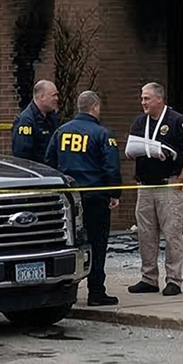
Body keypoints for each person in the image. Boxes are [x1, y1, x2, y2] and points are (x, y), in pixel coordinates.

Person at [45, 90, 121, 306]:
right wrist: (115, 193)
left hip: (69, 199)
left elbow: (49, 162)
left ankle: (65, 290)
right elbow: (111, 168)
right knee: (97, 244)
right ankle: (96, 291)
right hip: (95, 197)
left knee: (69, 243)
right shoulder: (102, 133)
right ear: (95, 107)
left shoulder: (61, 132)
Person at [125, 81, 183, 296]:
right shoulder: (139, 122)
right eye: (142, 98)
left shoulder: (176, 121)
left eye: (146, 98)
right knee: (146, 235)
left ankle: (174, 279)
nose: (143, 102)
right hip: (145, 187)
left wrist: (182, 178)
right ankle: (149, 278)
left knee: (172, 234)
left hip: (168, 185)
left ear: (159, 99)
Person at [10, 80, 61, 163]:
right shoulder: (26, 121)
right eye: (54, 95)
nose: (56, 99)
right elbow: (22, 155)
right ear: (42, 97)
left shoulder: (51, 117)